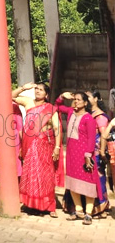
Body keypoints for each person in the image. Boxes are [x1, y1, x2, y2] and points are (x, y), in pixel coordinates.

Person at [12, 82, 60, 217]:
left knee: (46, 174)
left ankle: (50, 206)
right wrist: (23, 88)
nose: (38, 91)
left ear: (46, 94)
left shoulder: (50, 108)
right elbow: (9, 96)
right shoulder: (28, 102)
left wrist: (57, 147)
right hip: (28, 143)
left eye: (41, 90)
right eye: (36, 89)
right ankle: (32, 204)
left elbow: (56, 128)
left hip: (44, 144)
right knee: (31, 174)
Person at [56, 91, 99, 225]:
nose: (76, 101)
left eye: (79, 100)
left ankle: (88, 213)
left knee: (87, 183)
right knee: (73, 182)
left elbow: (91, 139)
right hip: (71, 153)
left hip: (84, 154)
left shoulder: (89, 119)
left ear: (85, 103)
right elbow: (57, 106)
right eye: (75, 99)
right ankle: (79, 210)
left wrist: (88, 155)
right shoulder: (70, 112)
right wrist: (62, 97)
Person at [86, 90, 110, 217]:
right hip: (87, 152)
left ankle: (102, 205)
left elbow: (103, 136)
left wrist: (101, 152)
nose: (87, 99)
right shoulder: (88, 114)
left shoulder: (100, 116)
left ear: (96, 99)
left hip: (96, 152)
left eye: (89, 97)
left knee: (99, 178)